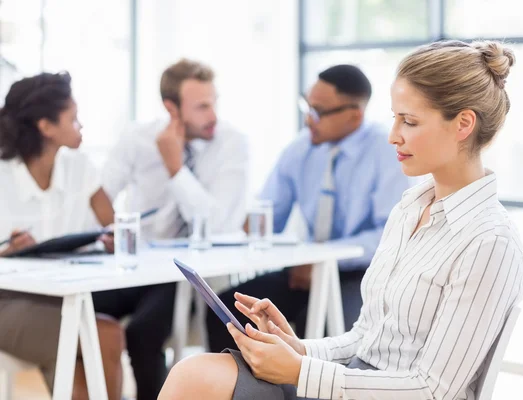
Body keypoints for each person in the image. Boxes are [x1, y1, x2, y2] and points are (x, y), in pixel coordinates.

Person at [158, 40, 523, 400]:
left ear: (463, 124)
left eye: (410, 121)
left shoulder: (489, 242)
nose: (393, 135)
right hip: (353, 379)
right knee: (193, 373)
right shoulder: (411, 208)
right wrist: (298, 349)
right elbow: (366, 338)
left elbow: (432, 391)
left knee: (196, 380)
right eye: (394, 118)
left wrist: (300, 371)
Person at [207, 64, 411, 353]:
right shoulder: (301, 148)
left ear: (354, 115)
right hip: (305, 269)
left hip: (362, 272)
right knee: (228, 311)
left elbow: (389, 237)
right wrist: (248, 226)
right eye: (306, 106)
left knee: (332, 330)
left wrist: (323, 260)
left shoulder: (386, 150)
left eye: (318, 111)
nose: (307, 120)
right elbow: (268, 216)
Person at [97, 58, 249, 400]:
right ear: (172, 107)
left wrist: (175, 168)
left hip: (188, 273)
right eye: (202, 106)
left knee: (143, 332)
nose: (212, 115)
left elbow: (218, 224)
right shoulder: (137, 138)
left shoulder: (232, 144)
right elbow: (100, 194)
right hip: (135, 266)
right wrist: (109, 230)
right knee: (80, 309)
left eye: (214, 102)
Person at [0, 72, 123, 400]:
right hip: (6, 302)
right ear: (46, 126)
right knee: (105, 335)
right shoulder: (3, 175)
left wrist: (111, 240)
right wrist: (5, 252)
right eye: (73, 118)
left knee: (85, 348)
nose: (81, 126)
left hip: (63, 298)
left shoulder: (79, 167)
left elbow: (115, 225)